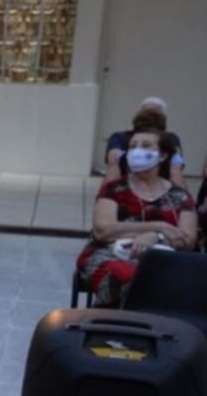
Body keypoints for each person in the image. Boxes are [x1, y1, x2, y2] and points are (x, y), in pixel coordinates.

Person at [77, 128, 197, 307]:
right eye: (132, 146)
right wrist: (159, 226)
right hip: (111, 255)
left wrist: (156, 237)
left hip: (163, 259)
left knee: (168, 280)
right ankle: (114, 326)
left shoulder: (180, 197)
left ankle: (149, 329)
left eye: (146, 146)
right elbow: (103, 231)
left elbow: (188, 239)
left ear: (163, 155)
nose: (137, 151)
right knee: (127, 277)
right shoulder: (114, 189)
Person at [104, 98, 185, 187]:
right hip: (126, 181)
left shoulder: (171, 138)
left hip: (160, 182)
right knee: (114, 166)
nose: (149, 116)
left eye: (155, 113)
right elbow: (113, 160)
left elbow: (176, 166)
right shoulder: (119, 137)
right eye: (146, 111)